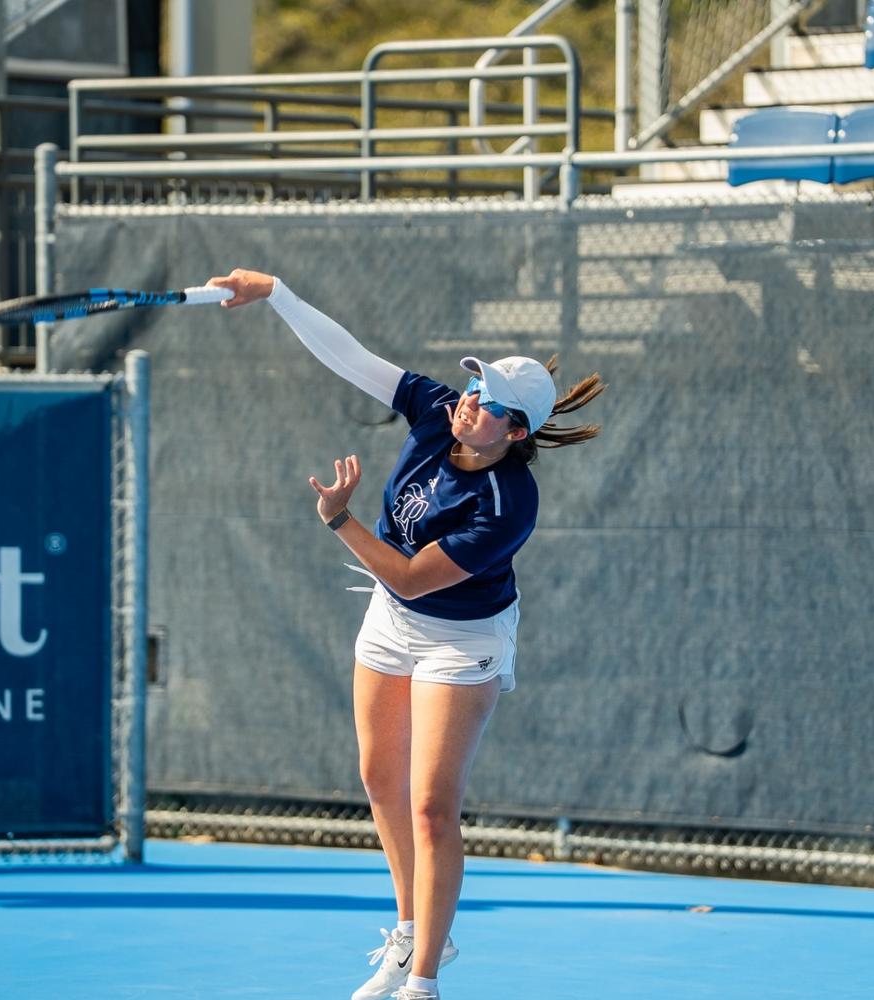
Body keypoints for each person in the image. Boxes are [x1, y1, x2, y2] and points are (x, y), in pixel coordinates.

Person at [210, 268, 606, 1000]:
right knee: (378, 778)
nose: (469, 403)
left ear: (514, 432)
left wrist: (339, 519)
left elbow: (413, 577)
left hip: (462, 639)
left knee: (431, 806)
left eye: (488, 403)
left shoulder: (506, 503)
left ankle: (423, 981)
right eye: (473, 387)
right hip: (392, 623)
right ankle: (413, 933)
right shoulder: (439, 410)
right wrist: (278, 294)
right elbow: (353, 357)